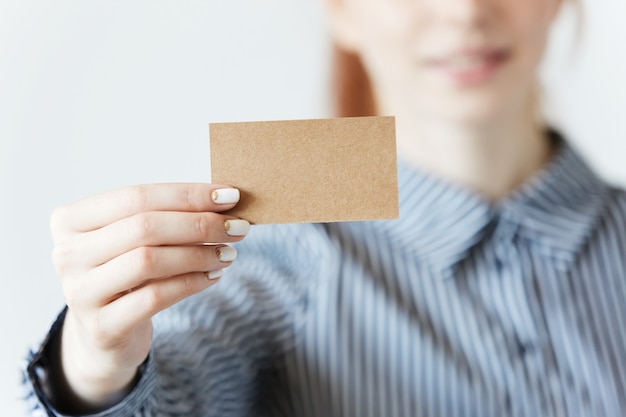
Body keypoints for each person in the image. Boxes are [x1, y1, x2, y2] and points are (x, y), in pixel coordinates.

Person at [23, 0, 626, 415]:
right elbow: (176, 390)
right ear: (343, 10)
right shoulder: (280, 263)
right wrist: (95, 364)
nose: (464, 10)